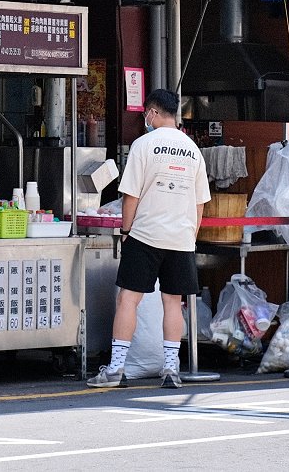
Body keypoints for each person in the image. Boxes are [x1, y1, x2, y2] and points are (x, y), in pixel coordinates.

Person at [88, 88, 211, 389]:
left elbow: (131, 196)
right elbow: (200, 203)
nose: (146, 118)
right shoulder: (192, 149)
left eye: (146, 113)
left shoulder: (144, 145)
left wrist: (127, 231)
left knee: (128, 300)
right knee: (173, 302)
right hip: (181, 238)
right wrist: (189, 236)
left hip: (145, 235)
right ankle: (171, 369)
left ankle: (116, 369)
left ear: (153, 113)